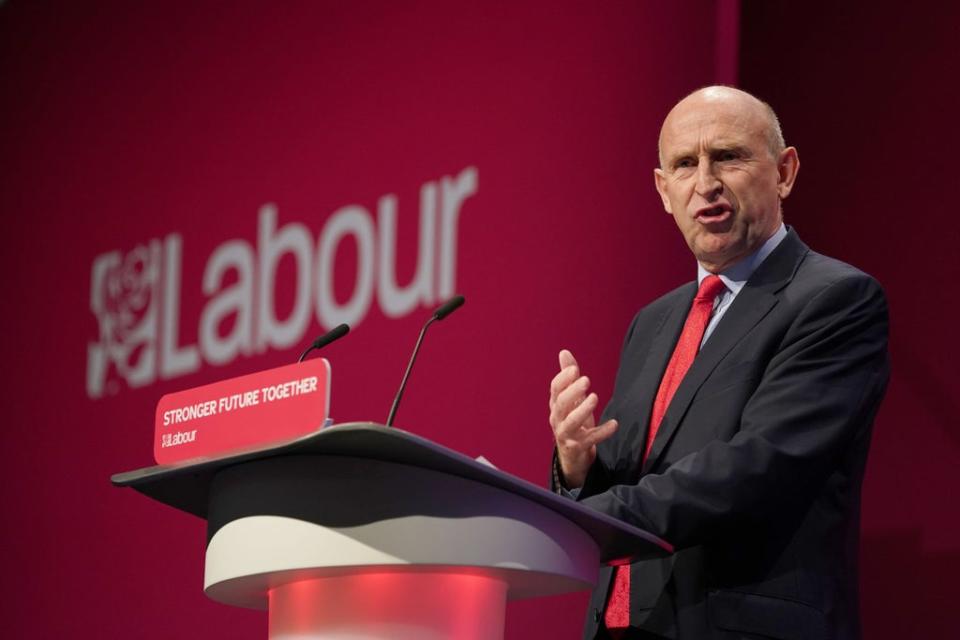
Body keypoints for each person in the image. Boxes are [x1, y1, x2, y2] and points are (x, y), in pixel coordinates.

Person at [548, 86, 889, 640]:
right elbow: (631, 473)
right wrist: (576, 469)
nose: (705, 183)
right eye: (684, 164)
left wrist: (588, 520)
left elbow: (757, 467)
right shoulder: (653, 323)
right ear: (663, 190)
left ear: (784, 171)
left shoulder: (835, 299)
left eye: (728, 156)